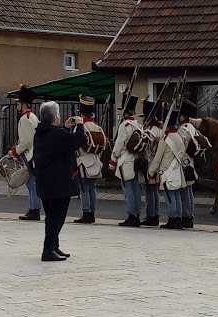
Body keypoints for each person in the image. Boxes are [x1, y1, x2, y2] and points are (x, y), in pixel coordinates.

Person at [33, 101, 85, 261]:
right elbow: (77, 141)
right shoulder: (57, 135)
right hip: (58, 184)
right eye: (59, 115)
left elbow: (60, 141)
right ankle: (48, 250)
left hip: (45, 183)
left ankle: (54, 246)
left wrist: (65, 127)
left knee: (51, 217)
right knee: (56, 218)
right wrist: (80, 125)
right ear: (55, 118)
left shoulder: (41, 132)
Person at [147, 110, 185, 229]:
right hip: (177, 170)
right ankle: (178, 218)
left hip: (167, 171)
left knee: (170, 196)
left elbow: (157, 159)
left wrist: (150, 172)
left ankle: (172, 219)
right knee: (177, 195)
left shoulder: (165, 140)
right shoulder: (179, 137)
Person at [109, 93, 143, 227]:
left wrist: (113, 160)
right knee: (135, 189)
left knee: (128, 190)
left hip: (126, 160)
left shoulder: (124, 125)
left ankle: (131, 215)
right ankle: (137, 214)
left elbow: (118, 145)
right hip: (135, 159)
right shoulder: (138, 124)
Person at [9, 85, 41, 221]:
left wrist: (15, 151)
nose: (16, 106)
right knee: (32, 183)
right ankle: (33, 208)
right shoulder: (32, 116)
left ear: (24, 104)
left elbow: (27, 141)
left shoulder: (25, 118)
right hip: (35, 154)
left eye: (18, 103)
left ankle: (34, 209)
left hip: (30, 155)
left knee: (31, 183)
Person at [74, 95, 104, 224]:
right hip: (95, 161)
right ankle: (92, 212)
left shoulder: (81, 127)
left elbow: (75, 143)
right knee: (92, 189)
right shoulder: (98, 127)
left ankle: (86, 212)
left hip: (83, 161)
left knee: (84, 189)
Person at [139, 99, 163, 226]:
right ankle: (155, 214)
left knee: (149, 191)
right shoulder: (159, 129)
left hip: (149, 162)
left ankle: (151, 215)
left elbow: (143, 147)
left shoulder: (150, 131)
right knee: (154, 191)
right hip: (156, 163)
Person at [177, 100, 198, 229]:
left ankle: (186, 216)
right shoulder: (192, 128)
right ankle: (189, 215)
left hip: (183, 162)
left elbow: (179, 148)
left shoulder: (182, 130)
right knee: (189, 191)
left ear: (183, 116)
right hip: (191, 162)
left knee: (184, 191)